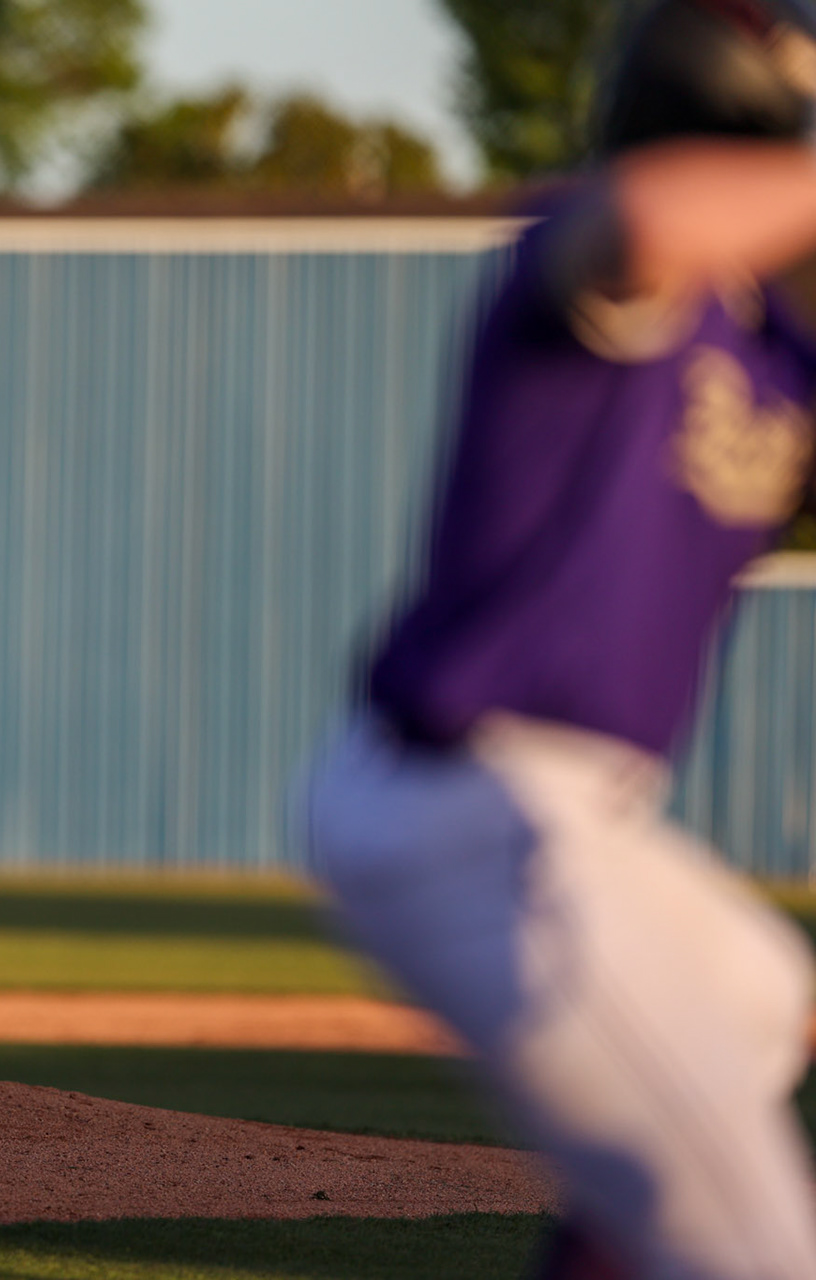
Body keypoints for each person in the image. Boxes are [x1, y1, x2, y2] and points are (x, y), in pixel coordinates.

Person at [300, 1, 816, 1275]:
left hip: (577, 818)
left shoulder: (775, 347)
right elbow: (645, 222)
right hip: (477, 805)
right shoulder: (606, 270)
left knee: (760, 997)